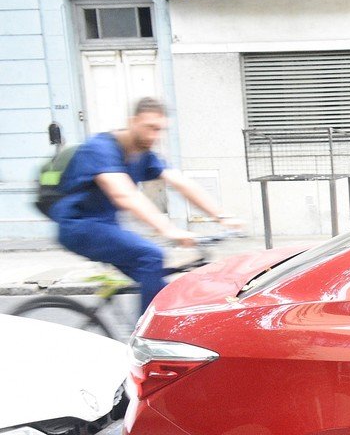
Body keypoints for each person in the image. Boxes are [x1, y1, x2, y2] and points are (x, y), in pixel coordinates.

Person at [52, 98, 238, 314]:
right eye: (149, 127)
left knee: (159, 286)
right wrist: (168, 229)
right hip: (78, 226)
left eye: (159, 129)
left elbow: (180, 182)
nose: (154, 136)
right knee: (151, 256)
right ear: (133, 121)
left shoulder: (143, 156)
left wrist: (222, 216)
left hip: (105, 227)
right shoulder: (100, 148)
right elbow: (124, 195)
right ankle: (142, 341)